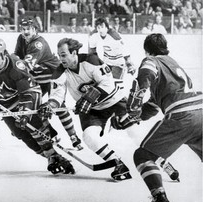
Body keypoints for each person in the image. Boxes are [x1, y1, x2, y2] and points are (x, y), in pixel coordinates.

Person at [0, 38, 75, 175]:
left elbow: (27, 94)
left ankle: (50, 149)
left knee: (32, 124)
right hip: (5, 105)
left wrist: (24, 113)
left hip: (28, 95)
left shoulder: (16, 66)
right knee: (20, 133)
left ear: (4, 54)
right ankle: (54, 157)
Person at [114, 33, 202, 202]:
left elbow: (145, 76)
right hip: (201, 111)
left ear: (146, 51)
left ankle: (159, 197)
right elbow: (154, 105)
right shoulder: (173, 64)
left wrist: (133, 105)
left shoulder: (151, 60)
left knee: (142, 155)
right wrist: (134, 117)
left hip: (182, 116)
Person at [38, 38, 133, 181]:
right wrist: (49, 106)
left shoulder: (91, 60)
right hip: (92, 110)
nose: (60, 58)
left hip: (115, 102)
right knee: (89, 137)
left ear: (74, 52)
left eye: (63, 55)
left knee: (134, 131)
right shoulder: (59, 72)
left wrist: (89, 98)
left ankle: (155, 159)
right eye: (58, 55)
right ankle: (118, 163)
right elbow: (57, 96)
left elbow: (108, 84)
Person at [14, 18, 82, 150]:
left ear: (35, 29)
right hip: (38, 77)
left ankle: (73, 136)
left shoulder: (38, 43)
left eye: (28, 29)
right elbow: (16, 56)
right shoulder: (21, 38)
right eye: (23, 29)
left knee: (57, 106)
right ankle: (52, 134)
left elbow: (25, 65)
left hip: (52, 75)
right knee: (35, 106)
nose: (25, 31)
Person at [89, 17, 136, 93]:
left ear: (106, 27)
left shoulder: (114, 35)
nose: (100, 29)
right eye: (98, 27)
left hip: (118, 64)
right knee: (102, 83)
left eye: (102, 27)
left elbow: (125, 49)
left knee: (116, 85)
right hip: (107, 63)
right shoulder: (95, 35)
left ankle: (120, 101)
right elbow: (92, 50)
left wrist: (129, 64)